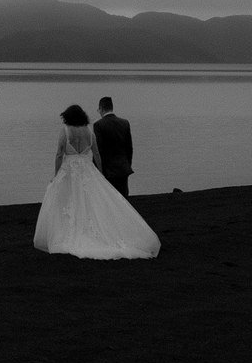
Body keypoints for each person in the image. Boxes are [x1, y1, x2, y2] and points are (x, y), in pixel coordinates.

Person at [32, 104, 160, 260]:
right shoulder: (89, 131)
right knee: (90, 202)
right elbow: (97, 154)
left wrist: (56, 174)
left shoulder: (65, 131)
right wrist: (99, 173)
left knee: (68, 202)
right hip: (87, 171)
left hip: (69, 172)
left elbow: (59, 154)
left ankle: (69, 232)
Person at [92, 96, 134, 197]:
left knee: (109, 198)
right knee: (124, 198)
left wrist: (97, 169)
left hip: (108, 169)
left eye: (99, 110)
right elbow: (129, 148)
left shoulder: (98, 125)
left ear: (101, 109)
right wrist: (128, 163)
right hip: (123, 167)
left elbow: (99, 150)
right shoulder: (125, 123)